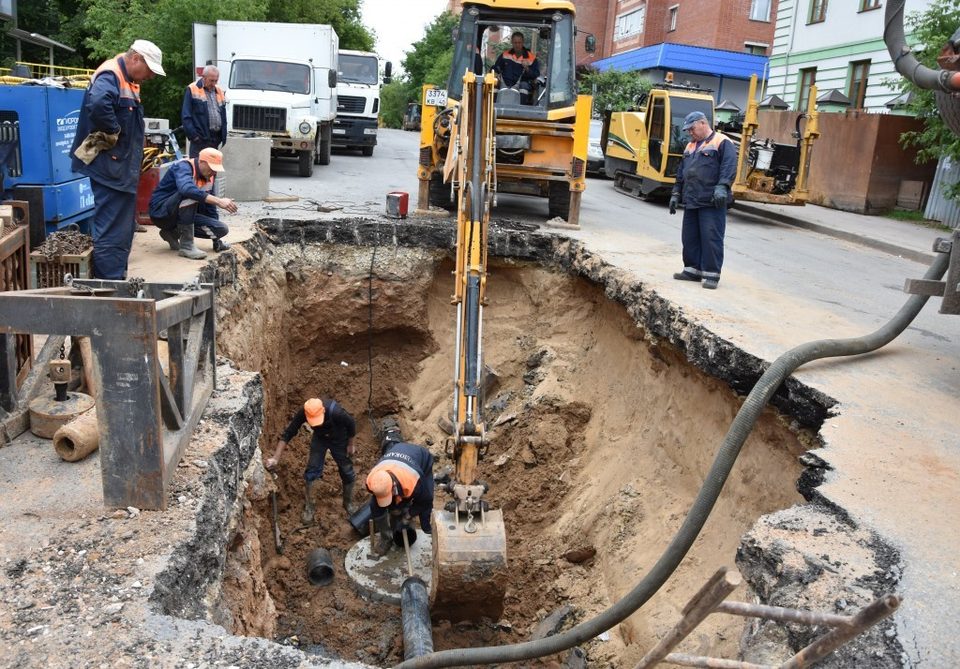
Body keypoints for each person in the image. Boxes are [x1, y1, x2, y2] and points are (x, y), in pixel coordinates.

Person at [70, 40, 165, 279]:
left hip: (120, 167)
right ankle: (109, 282)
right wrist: (113, 131)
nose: (150, 77)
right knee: (112, 227)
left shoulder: (129, 79)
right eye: (149, 70)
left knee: (122, 227)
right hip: (110, 167)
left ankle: (116, 275)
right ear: (136, 59)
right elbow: (99, 103)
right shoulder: (111, 74)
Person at [669, 111, 737, 290]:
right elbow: (681, 171)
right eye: (688, 130)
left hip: (711, 200)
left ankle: (711, 274)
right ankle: (692, 270)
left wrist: (723, 186)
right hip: (692, 199)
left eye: (691, 128)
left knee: (711, 237)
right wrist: (676, 193)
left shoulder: (721, 142)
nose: (689, 132)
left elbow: (729, 165)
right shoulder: (690, 146)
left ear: (702, 123)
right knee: (690, 237)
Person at [266, 398, 358, 523]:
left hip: (339, 437)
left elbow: (351, 424)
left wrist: (351, 444)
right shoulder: (304, 412)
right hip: (320, 438)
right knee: (312, 469)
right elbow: (288, 433)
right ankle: (310, 507)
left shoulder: (336, 413)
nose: (317, 424)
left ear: (323, 411)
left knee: (346, 469)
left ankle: (348, 503)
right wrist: (275, 458)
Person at [147, 148, 237, 259]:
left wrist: (216, 240)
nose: (213, 172)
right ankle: (186, 246)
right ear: (201, 162)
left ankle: (172, 233)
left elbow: (210, 208)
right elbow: (186, 189)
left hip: (181, 215)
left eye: (216, 169)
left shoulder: (209, 176)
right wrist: (219, 201)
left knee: (221, 229)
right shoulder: (183, 167)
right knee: (190, 193)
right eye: (212, 168)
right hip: (161, 213)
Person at [365, 440, 435, 556]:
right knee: (375, 506)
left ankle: (427, 528)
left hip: (422, 459)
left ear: (393, 486)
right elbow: (379, 502)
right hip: (396, 458)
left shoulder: (413, 482)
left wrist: (408, 516)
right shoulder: (371, 481)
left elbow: (425, 501)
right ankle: (386, 538)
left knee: (425, 502)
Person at [181, 65, 227, 158]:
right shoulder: (192, 88)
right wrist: (194, 137)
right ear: (204, 77)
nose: (214, 83)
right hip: (200, 140)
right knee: (198, 169)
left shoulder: (219, 91)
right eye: (211, 80)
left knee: (212, 169)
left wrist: (222, 136)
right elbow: (186, 116)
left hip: (215, 139)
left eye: (216, 80)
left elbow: (223, 114)